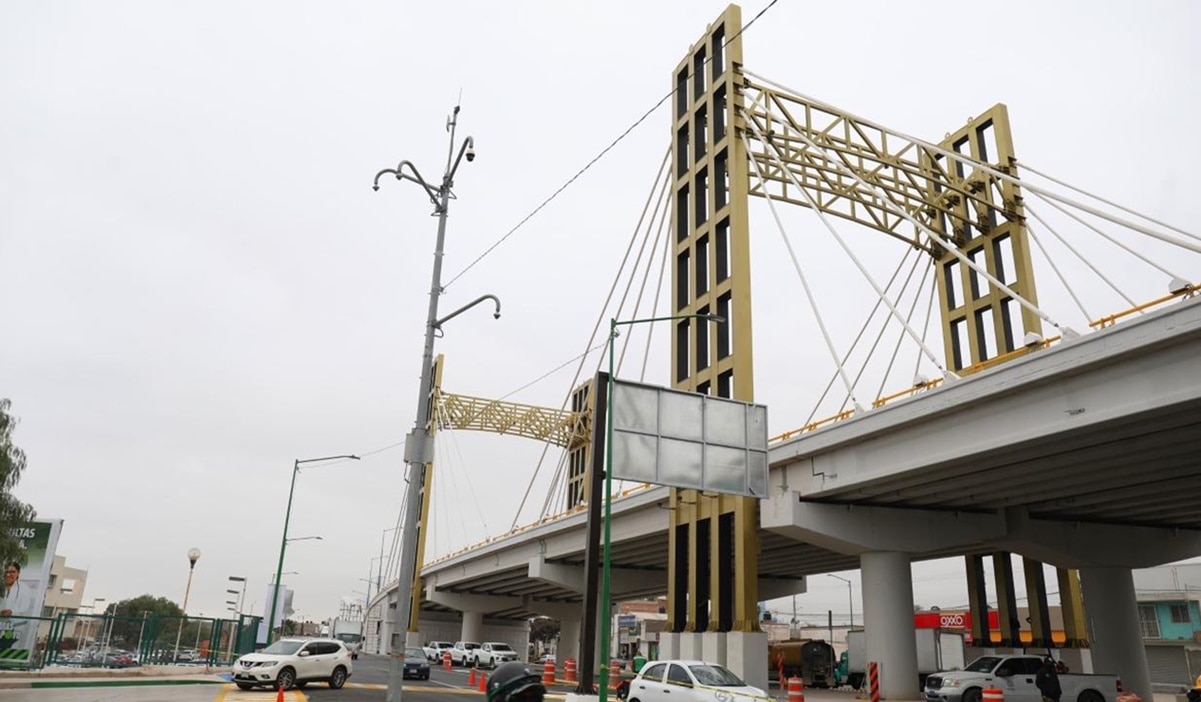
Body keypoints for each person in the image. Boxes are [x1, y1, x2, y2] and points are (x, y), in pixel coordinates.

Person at [0, 563, 36, 655]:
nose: (8, 574)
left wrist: (12, 612)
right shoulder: (2, 586)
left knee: (9, 648)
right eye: (7, 572)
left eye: (12, 572)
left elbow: (26, 607)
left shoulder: (24, 588)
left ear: (18, 573)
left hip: (16, 626)